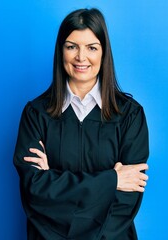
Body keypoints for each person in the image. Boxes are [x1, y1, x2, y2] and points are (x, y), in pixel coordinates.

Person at [13, 8, 149, 240]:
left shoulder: (130, 115)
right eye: (71, 46)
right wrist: (111, 180)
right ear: (61, 51)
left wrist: (53, 181)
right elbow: (34, 192)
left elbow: (125, 204)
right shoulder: (35, 114)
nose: (81, 57)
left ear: (104, 53)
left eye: (92, 47)